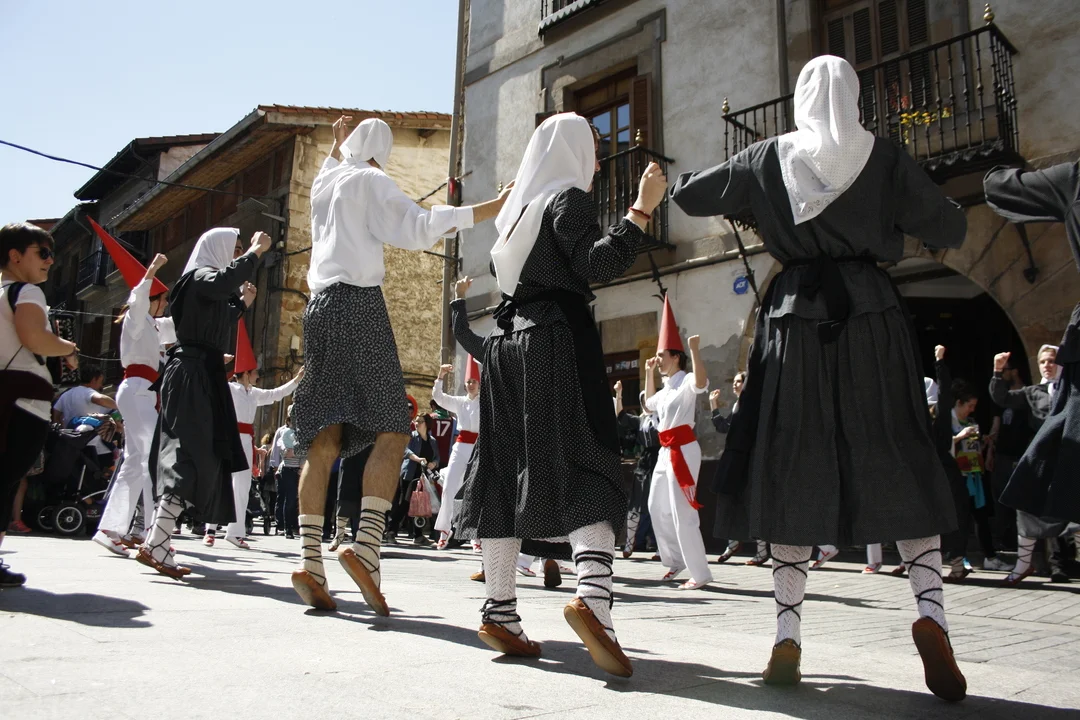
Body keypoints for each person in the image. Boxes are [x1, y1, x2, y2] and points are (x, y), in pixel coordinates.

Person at [671, 56, 967, 700]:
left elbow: (688, 196)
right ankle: (931, 615)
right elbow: (951, 225)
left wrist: (742, 193)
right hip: (872, 316)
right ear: (853, 96)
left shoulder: (766, 157)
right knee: (897, 450)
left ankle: (787, 634)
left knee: (792, 460)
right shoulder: (884, 156)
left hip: (795, 320)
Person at [453, 112, 667, 677]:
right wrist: (641, 210)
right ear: (572, 153)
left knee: (503, 469)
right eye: (592, 148)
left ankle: (500, 610)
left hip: (505, 347)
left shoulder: (513, 217)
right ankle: (593, 600)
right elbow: (597, 263)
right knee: (586, 460)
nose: (596, 162)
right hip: (554, 339)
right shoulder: (567, 199)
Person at [289, 115, 509, 614]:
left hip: (317, 310)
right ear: (381, 153)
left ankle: (309, 560)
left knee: (323, 438)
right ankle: (367, 548)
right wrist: (492, 208)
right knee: (393, 426)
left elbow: (331, 165)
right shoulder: (370, 179)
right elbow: (420, 227)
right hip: (358, 305)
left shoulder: (325, 184)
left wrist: (335, 145)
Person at [135, 228, 269, 578]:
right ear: (217, 248)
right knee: (188, 455)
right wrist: (255, 251)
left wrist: (243, 304)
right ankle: (156, 542)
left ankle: (157, 541)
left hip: (201, 375)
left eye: (240, 249)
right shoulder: (197, 278)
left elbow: (217, 317)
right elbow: (223, 282)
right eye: (234, 248)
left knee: (201, 456)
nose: (237, 254)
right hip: (192, 375)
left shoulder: (205, 289)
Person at [1, 222, 79, 586]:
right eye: (43, 253)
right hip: (22, 400)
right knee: (7, 477)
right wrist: (67, 348)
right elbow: (33, 337)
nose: (50, 261)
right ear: (15, 256)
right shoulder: (27, 291)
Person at [90, 220, 174, 556]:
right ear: (152, 299)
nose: (164, 305)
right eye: (162, 300)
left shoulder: (153, 325)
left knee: (137, 460)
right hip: (138, 389)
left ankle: (112, 529)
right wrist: (151, 271)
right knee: (151, 460)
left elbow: (180, 325)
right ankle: (153, 534)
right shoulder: (136, 318)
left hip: (142, 392)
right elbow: (139, 300)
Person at [204, 319, 301, 549]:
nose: (258, 374)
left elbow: (276, 394)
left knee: (242, 485)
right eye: (255, 372)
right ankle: (210, 529)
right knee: (222, 482)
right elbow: (210, 382)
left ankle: (235, 532)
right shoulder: (229, 388)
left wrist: (296, 381)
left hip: (246, 441)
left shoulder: (253, 393)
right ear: (246, 374)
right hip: (229, 438)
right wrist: (219, 363)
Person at [991, 344, 1077, 584]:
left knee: (1072, 511)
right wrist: (997, 372)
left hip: (1070, 458)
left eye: (1051, 360)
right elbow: (1003, 398)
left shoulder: (1074, 389)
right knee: (1026, 505)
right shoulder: (1033, 392)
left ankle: (1059, 564)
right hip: (1044, 460)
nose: (1047, 365)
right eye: (1042, 361)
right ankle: (1023, 565)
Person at [642, 298, 712, 590]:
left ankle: (700, 572)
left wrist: (694, 350)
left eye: (661, 355)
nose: (657, 359)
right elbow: (648, 404)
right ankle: (675, 560)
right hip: (665, 451)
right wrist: (648, 373)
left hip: (683, 449)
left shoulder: (685, 381)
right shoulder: (667, 387)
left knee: (683, 511)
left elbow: (701, 384)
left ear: (675, 357)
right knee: (656, 506)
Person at [431, 355, 480, 549]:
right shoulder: (460, 402)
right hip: (460, 448)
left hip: (478, 449)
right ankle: (445, 529)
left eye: (474, 381)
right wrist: (441, 375)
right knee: (449, 486)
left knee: (475, 490)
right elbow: (439, 398)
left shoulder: (486, 402)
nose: (471, 384)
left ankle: (475, 535)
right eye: (468, 381)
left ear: (479, 383)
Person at [711, 372, 751, 563]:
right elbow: (723, 427)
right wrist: (713, 405)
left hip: (745, 457)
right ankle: (732, 543)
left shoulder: (749, 405)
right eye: (734, 381)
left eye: (739, 381)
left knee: (749, 502)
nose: (735, 384)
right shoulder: (738, 405)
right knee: (731, 499)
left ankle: (761, 550)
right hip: (734, 457)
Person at [388, 413, 441, 543]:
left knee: (419, 504)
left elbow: (437, 457)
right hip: (409, 474)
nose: (416, 424)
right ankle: (390, 531)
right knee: (404, 504)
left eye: (420, 421)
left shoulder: (432, 440)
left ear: (427, 424)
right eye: (416, 421)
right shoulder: (411, 436)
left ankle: (418, 535)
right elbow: (406, 451)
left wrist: (434, 463)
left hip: (423, 476)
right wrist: (418, 459)